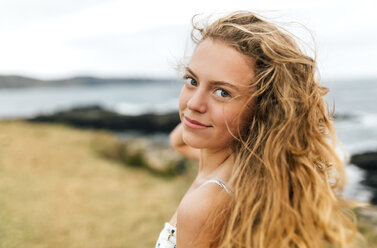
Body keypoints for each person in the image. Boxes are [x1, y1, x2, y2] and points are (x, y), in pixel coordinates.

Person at [155, 10, 362, 248]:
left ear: (261, 109)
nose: (193, 103)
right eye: (192, 81)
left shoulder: (204, 204)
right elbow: (178, 140)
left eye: (222, 92)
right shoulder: (253, 170)